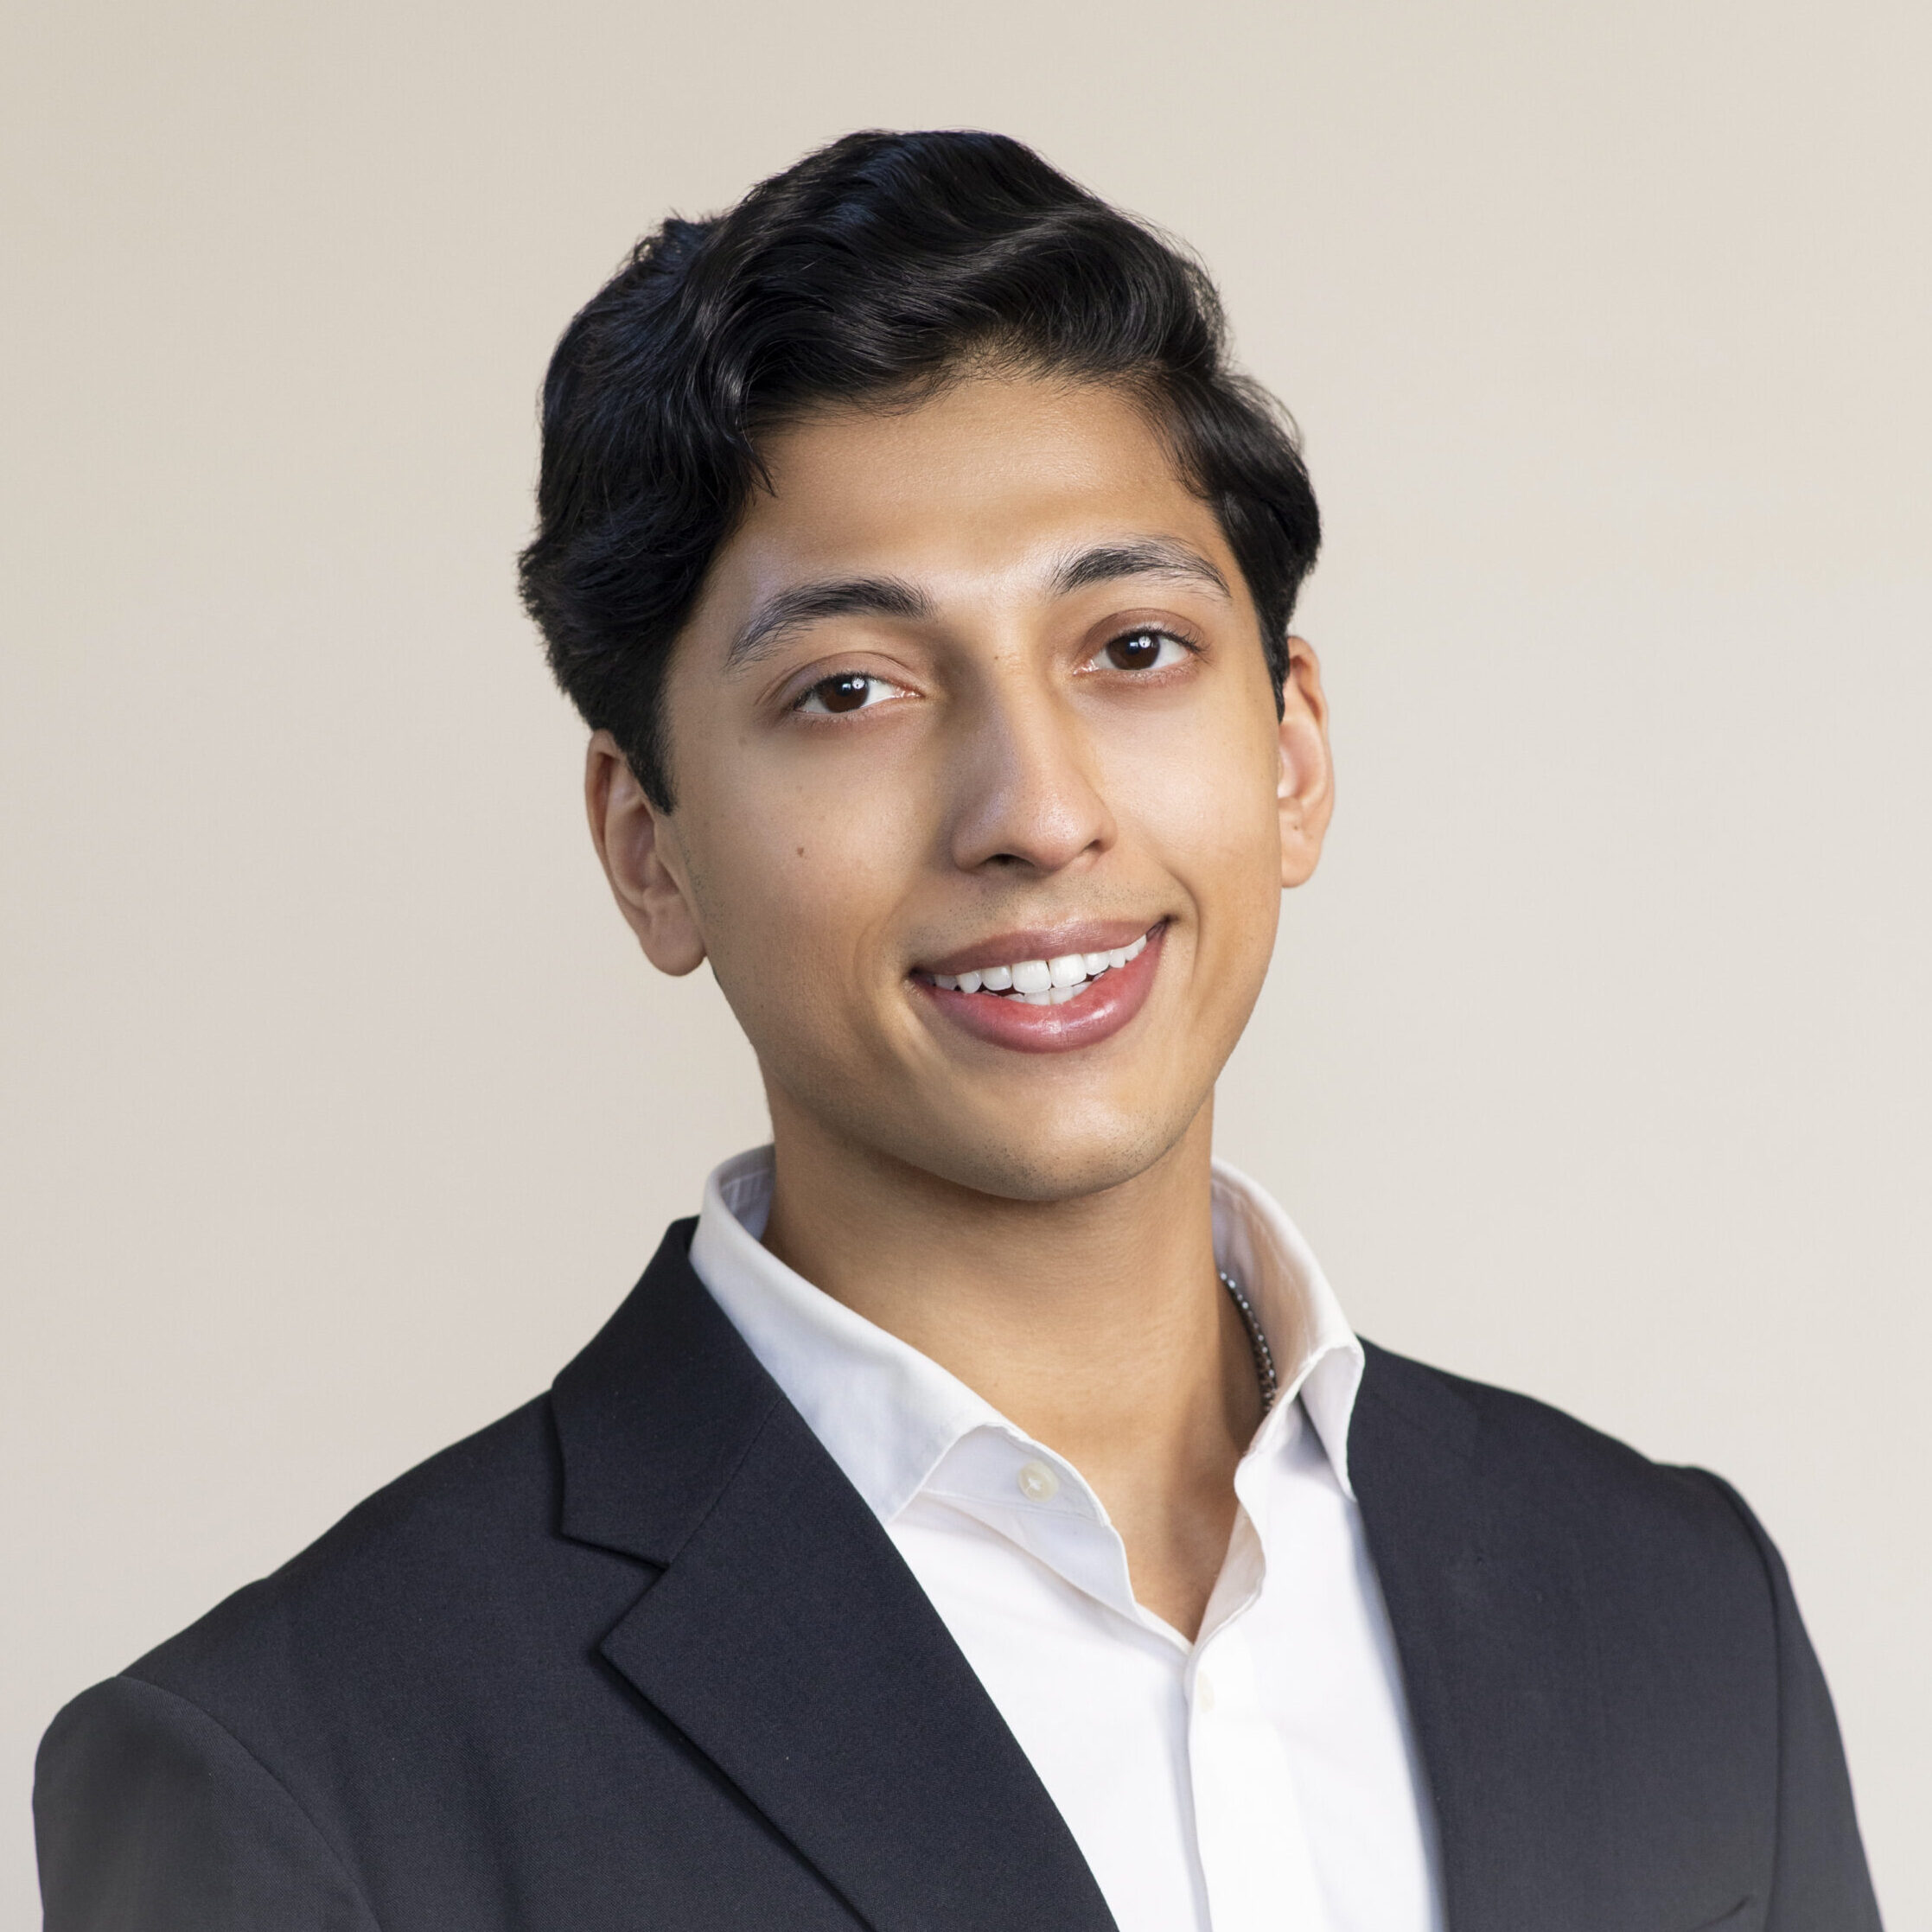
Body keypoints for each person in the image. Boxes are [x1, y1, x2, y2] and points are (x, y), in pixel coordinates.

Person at [34, 129, 1879, 1932]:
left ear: (1292, 749)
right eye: (849, 688)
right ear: (645, 847)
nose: (1035, 807)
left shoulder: (1672, 1604)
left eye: (1132, 647)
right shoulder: (298, 1776)